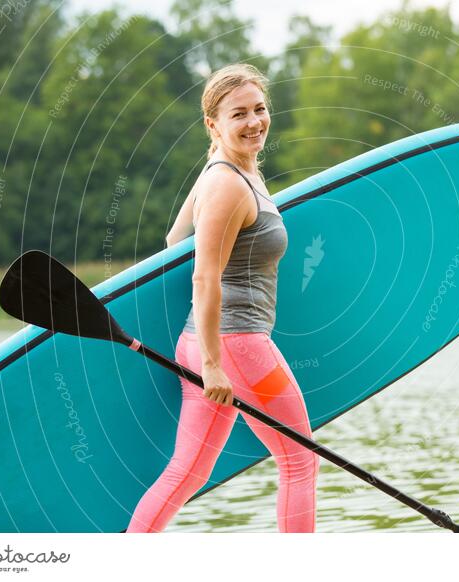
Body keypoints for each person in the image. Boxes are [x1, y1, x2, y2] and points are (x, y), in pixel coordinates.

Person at [126, 63, 319, 533]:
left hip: (209, 342)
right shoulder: (229, 185)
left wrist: (209, 354)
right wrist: (213, 364)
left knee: (188, 471)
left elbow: (175, 238)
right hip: (237, 345)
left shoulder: (230, 170)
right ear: (213, 124)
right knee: (299, 461)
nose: (254, 121)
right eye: (239, 114)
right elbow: (203, 277)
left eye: (259, 109)